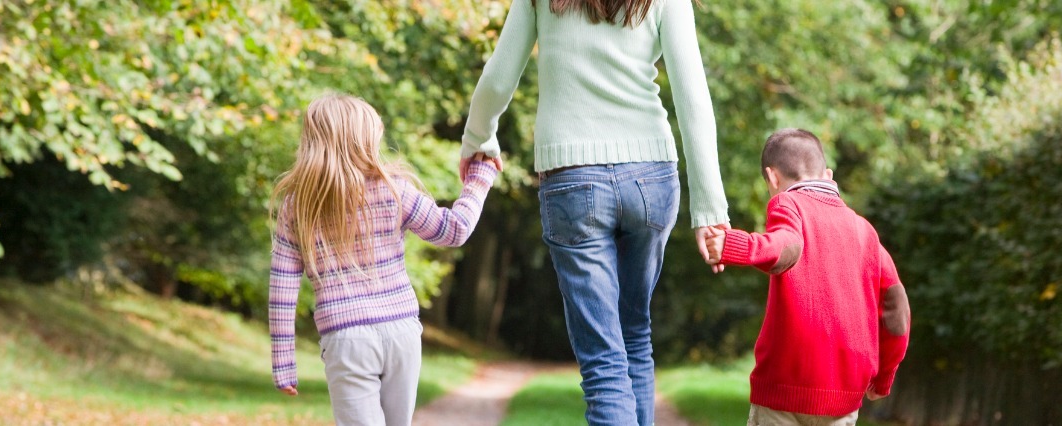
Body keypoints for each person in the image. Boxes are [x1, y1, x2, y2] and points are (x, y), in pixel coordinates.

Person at [459, 0, 730, 424]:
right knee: (634, 334)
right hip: (651, 180)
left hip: (572, 180)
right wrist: (709, 208)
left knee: (605, 360)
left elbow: (497, 79)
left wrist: (478, 139)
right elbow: (693, 96)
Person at [267, 93, 499, 426]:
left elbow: (282, 288)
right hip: (402, 330)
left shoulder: (298, 206)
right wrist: (481, 176)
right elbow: (454, 230)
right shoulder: (394, 189)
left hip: (346, 339)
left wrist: (283, 360)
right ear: (364, 140)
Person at [703, 128, 911, 426]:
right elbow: (897, 309)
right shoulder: (865, 231)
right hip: (844, 394)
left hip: (783, 389)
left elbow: (787, 246)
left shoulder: (789, 204)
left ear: (772, 178)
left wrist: (734, 245)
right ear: (828, 175)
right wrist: (884, 377)